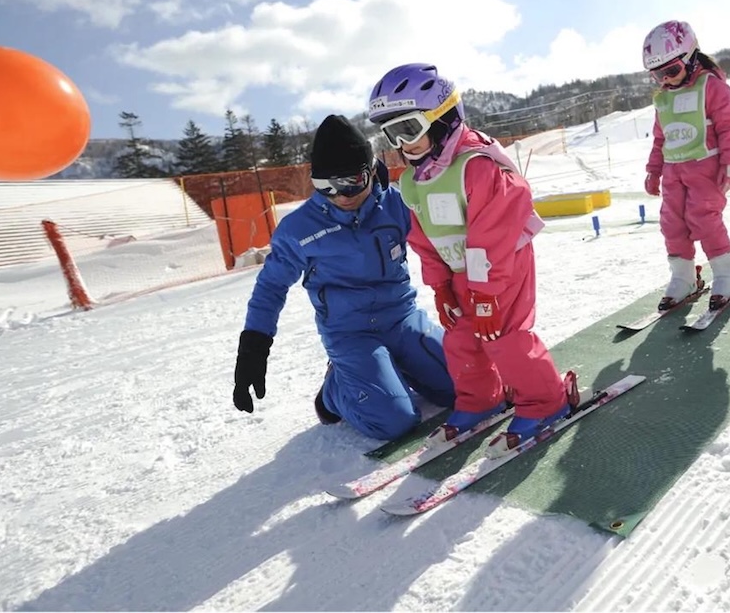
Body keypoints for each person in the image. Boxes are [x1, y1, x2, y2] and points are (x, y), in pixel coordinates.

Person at [367, 63, 578, 458]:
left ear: (443, 118)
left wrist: (485, 293)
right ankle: (481, 398)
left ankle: (546, 400)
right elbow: (424, 240)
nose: (403, 144)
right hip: (460, 272)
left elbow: (493, 239)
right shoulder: (413, 181)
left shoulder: (478, 167)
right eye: (392, 134)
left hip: (503, 269)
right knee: (461, 338)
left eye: (409, 129)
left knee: (504, 337)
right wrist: (441, 286)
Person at [232, 114, 456, 441]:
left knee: (466, 385)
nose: (341, 195)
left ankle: (394, 368)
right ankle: (335, 390)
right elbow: (271, 286)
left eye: (351, 181)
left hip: (402, 319)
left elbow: (442, 243)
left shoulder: (398, 204)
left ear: (371, 171)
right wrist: (254, 345)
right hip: (350, 333)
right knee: (395, 421)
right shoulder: (300, 229)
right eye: (327, 186)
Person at [641, 20, 730, 312]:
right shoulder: (664, 98)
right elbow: (661, 137)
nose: (666, 79)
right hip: (673, 171)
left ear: (691, 57)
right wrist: (653, 170)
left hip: (707, 168)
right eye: (658, 75)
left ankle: (726, 273)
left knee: (704, 218)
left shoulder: (711, 87)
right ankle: (684, 277)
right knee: (671, 223)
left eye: (672, 70)